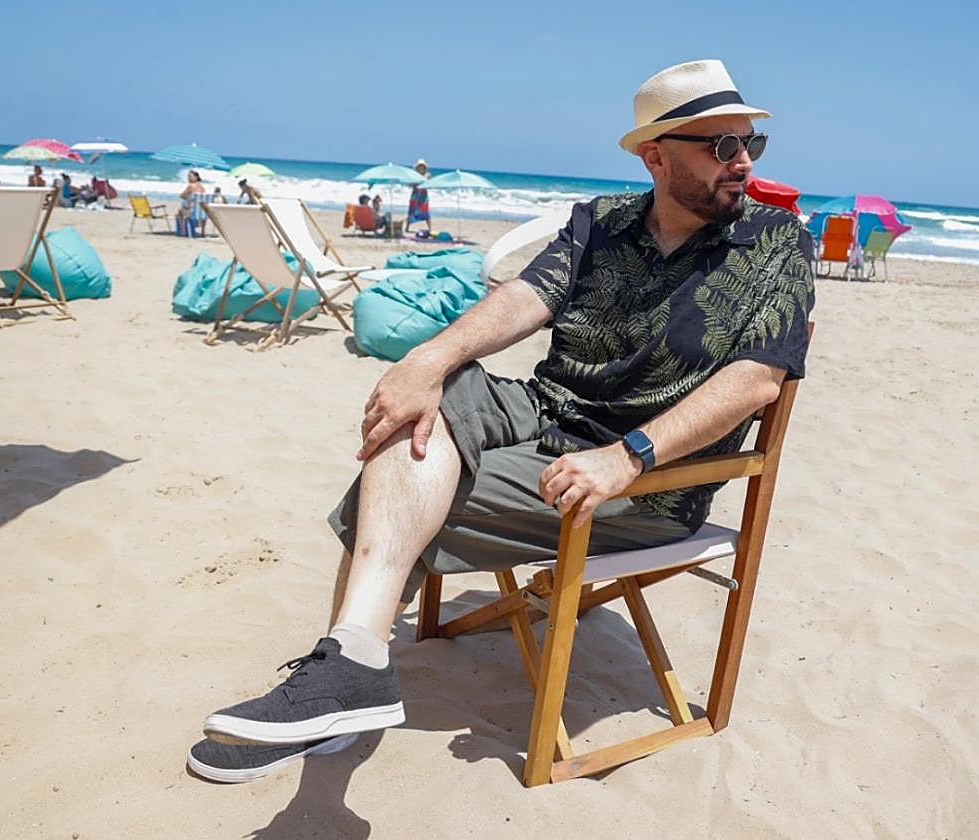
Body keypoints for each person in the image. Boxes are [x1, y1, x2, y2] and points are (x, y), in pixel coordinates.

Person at [188, 58, 814, 783]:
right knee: (423, 403)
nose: (743, 162)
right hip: (545, 412)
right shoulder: (603, 222)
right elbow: (526, 297)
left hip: (649, 477)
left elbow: (756, 380)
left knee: (394, 491)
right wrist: (428, 358)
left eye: (750, 143)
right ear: (655, 156)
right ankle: (352, 663)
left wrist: (628, 456)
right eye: (722, 146)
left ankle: (342, 673)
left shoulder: (776, 242)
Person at [404, 158, 432, 235]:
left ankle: (430, 229)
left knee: (425, 211)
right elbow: (410, 185)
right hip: (415, 195)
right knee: (411, 211)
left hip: (423, 196)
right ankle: (407, 227)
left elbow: (429, 184)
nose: (421, 167)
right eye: (420, 166)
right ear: (417, 167)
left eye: (422, 166)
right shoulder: (414, 175)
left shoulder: (427, 175)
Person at [176, 170, 206, 236]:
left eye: (190, 176)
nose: (188, 178)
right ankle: (203, 231)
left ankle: (183, 230)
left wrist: (188, 198)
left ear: (196, 177)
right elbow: (202, 199)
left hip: (191, 211)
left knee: (180, 211)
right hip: (201, 211)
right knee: (186, 208)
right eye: (188, 176)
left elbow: (182, 195)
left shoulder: (190, 186)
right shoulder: (202, 187)